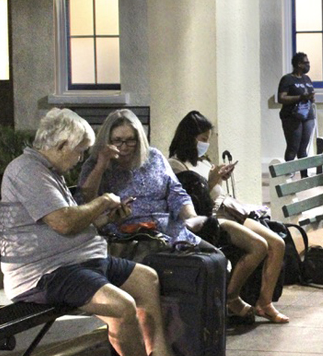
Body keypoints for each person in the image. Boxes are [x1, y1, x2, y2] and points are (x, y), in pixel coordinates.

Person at [0, 108, 208, 356]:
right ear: (61, 146)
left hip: (80, 260)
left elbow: (76, 223)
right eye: (79, 151)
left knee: (147, 279)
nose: (79, 159)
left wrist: (107, 218)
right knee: (121, 306)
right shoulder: (27, 171)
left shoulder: (50, 171)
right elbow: (64, 221)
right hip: (46, 273)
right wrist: (102, 202)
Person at [82, 110, 288, 324]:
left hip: (171, 227)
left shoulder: (153, 158)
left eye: (130, 141)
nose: (124, 147)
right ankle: (194, 318)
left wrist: (190, 216)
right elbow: (86, 197)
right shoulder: (97, 164)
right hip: (131, 234)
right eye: (118, 141)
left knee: (217, 258)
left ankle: (217, 309)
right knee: (198, 263)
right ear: (107, 140)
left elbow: (175, 191)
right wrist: (101, 165)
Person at [167, 110, 290, 323]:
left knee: (277, 243)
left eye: (208, 139)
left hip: (230, 210)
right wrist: (212, 182)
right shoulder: (176, 165)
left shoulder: (203, 160)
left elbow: (216, 191)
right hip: (211, 217)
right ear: (189, 137)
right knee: (259, 245)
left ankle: (265, 302)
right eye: (202, 139)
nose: (205, 144)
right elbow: (193, 204)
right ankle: (231, 297)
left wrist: (220, 178)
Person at [278, 52, 316, 176]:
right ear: (299, 64)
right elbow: (281, 98)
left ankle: (304, 176)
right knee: (293, 146)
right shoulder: (288, 79)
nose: (308, 65)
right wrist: (300, 97)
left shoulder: (307, 79)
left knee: (303, 148)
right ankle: (288, 174)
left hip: (308, 115)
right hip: (292, 116)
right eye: (306, 63)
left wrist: (310, 98)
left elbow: (309, 94)